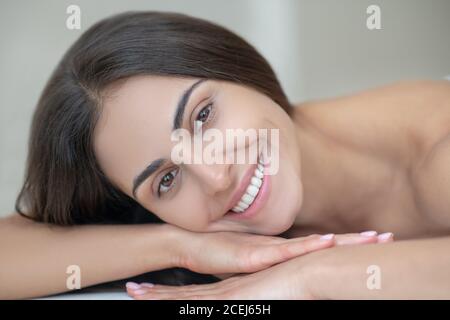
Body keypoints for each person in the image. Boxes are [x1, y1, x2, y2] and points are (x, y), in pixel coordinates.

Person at [1, 11, 449, 300]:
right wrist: (184, 248)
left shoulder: (436, 152)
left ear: (237, 67)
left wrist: (313, 278)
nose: (214, 177)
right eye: (167, 180)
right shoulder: (189, 231)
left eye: (202, 116)